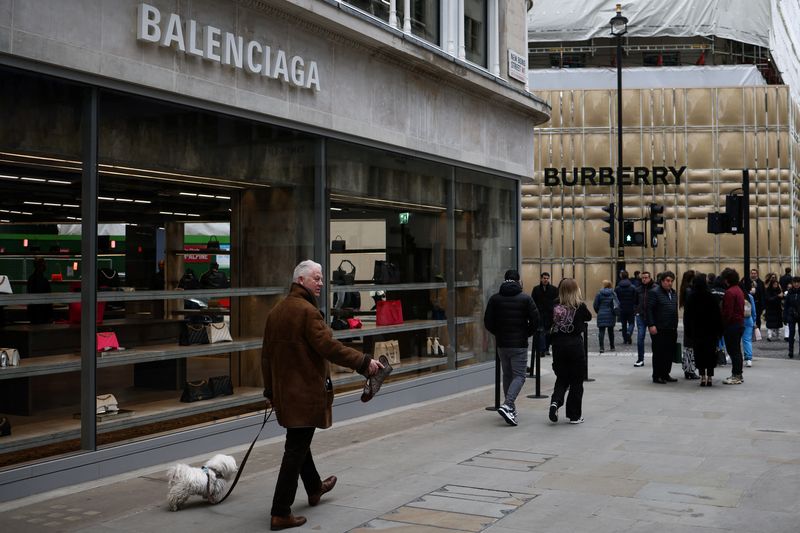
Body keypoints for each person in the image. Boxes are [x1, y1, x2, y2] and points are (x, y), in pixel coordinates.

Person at [261, 260, 384, 530]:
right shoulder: (307, 312)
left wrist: (270, 390)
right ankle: (280, 511)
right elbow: (329, 347)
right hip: (303, 394)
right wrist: (364, 362)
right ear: (301, 280)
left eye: (321, 278)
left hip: (287, 395)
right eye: (316, 278)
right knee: (294, 449)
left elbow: (266, 357)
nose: (320, 283)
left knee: (298, 441)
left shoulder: (276, 312)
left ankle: (314, 487)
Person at [483, 269, 540, 426]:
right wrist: (526, 333)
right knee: (520, 376)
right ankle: (508, 404)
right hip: (519, 344)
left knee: (507, 375)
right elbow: (536, 320)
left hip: (502, 344)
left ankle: (510, 409)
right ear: (518, 281)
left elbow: (488, 322)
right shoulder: (525, 299)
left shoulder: (495, 299)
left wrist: (498, 333)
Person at [548, 278, 592, 425]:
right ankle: (574, 415)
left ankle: (555, 402)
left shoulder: (554, 305)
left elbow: (549, 322)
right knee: (576, 381)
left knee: (562, 377)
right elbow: (589, 317)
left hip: (558, 345)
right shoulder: (579, 305)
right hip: (575, 346)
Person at [683, 274, 723, 386]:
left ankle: (702, 377)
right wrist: (719, 331)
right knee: (710, 354)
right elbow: (717, 315)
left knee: (699, 354)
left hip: (697, 331)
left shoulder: (691, 297)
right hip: (710, 331)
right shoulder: (711, 296)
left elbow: (687, 316)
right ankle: (710, 377)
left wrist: (688, 330)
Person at [646, 271, 679, 384]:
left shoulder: (673, 293)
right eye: (667, 281)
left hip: (671, 327)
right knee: (659, 352)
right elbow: (649, 309)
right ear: (662, 281)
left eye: (671, 281)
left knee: (669, 352)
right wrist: (651, 324)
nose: (670, 283)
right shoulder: (654, 292)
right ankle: (657, 375)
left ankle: (665, 373)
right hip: (659, 327)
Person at [720, 269, 745, 385]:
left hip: (732, 325)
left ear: (727, 280)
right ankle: (738, 374)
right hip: (739, 323)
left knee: (733, 351)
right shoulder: (739, 290)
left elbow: (727, 312)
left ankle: (736, 375)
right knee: (737, 351)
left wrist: (722, 324)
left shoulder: (729, 292)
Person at [678, 270, 699, 380]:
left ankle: (688, 369)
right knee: (691, 346)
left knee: (688, 346)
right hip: (692, 321)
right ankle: (690, 370)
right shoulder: (690, 290)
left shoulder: (685, 289)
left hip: (688, 320)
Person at [531, 272, 558, 356]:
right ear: (541, 278)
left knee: (548, 333)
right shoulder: (536, 289)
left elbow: (557, 302)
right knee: (541, 332)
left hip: (550, 314)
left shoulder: (554, 289)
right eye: (544, 278)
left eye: (547, 278)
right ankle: (542, 350)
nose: (546, 280)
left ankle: (546, 348)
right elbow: (533, 301)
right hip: (539, 314)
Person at [633, 271, 655, 367]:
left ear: (650, 278)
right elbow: (635, 302)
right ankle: (640, 359)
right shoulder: (638, 289)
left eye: (646, 277)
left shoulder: (655, 288)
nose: (644, 279)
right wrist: (637, 311)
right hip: (641, 316)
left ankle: (656, 358)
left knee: (654, 339)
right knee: (640, 338)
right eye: (643, 278)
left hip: (652, 317)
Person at [593, 280, 618, 353]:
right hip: (611, 314)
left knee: (601, 331)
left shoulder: (599, 294)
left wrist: (599, 311)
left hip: (601, 313)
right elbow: (617, 303)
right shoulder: (613, 293)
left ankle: (601, 348)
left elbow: (595, 305)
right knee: (611, 331)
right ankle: (612, 346)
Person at [26, 257, 53, 324]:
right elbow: (47, 297)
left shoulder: (31, 279)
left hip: (35, 312)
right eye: (43, 264)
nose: (45, 266)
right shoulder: (43, 280)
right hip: (41, 312)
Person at [614, 271, 637, 345]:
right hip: (630, 307)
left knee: (623, 324)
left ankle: (625, 339)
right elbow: (635, 298)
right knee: (631, 323)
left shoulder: (618, 288)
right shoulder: (632, 287)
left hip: (622, 308)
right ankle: (629, 332)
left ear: (621, 277)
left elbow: (615, 298)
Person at [783, 276, 800, 359]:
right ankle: (790, 351)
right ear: (792, 283)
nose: (796, 284)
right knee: (791, 333)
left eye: (798, 282)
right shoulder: (790, 292)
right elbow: (786, 305)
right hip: (791, 315)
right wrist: (784, 317)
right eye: (795, 282)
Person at [764, 277, 784, 341]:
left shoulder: (779, 290)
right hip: (770, 309)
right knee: (770, 323)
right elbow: (768, 299)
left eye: (776, 284)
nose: (775, 285)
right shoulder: (768, 290)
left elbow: (782, 299)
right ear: (772, 284)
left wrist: (782, 296)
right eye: (774, 284)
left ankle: (778, 336)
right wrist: (777, 296)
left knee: (778, 323)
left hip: (777, 309)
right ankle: (769, 336)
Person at [742, 289, 756, 367]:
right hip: (748, 319)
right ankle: (749, 359)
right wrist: (754, 320)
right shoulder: (749, 296)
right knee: (747, 339)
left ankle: (732, 356)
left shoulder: (735, 295)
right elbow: (753, 310)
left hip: (738, 319)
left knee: (736, 340)